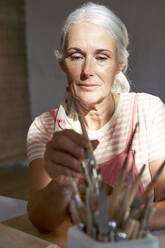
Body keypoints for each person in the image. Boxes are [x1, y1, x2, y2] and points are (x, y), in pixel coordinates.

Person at [27, 2, 165, 234]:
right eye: (76, 56)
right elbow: (42, 221)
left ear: (120, 64)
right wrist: (63, 178)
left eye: (102, 57)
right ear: (63, 64)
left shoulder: (148, 111)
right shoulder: (44, 127)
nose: (87, 70)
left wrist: (110, 216)